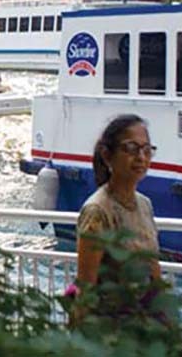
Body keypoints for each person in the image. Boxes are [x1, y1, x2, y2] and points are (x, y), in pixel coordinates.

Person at [75, 115, 160, 311]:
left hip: (145, 323)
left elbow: (153, 267)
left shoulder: (144, 205)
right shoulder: (97, 211)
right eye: (131, 149)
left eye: (146, 150)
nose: (141, 157)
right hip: (112, 327)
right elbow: (86, 287)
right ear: (107, 155)